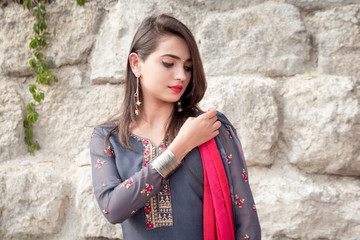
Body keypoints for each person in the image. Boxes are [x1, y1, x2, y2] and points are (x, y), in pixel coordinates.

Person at [90, 14, 261, 240]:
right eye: (169, 63)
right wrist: (178, 149)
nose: (181, 75)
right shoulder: (108, 138)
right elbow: (113, 209)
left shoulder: (210, 127)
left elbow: (246, 219)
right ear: (136, 63)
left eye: (188, 67)